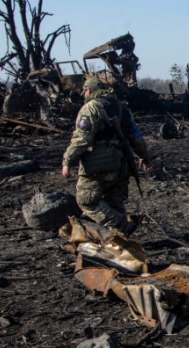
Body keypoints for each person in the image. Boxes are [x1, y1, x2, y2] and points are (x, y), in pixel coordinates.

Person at [61, 77, 151, 236]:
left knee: (86, 201)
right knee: (115, 203)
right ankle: (120, 242)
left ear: (89, 90)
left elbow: (82, 139)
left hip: (98, 164)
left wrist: (68, 161)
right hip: (122, 164)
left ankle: (122, 225)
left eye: (85, 91)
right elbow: (136, 137)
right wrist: (143, 156)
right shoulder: (123, 109)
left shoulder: (91, 108)